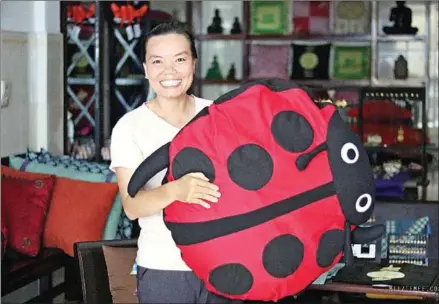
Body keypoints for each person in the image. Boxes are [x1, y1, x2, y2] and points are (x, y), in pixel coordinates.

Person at [110, 21, 237, 304]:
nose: (169, 71)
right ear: (145, 69)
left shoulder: (217, 115)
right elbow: (131, 206)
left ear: (193, 62)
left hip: (226, 262)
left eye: (180, 60)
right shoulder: (129, 127)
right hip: (164, 269)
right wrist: (176, 191)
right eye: (158, 62)